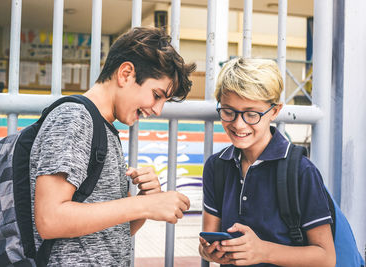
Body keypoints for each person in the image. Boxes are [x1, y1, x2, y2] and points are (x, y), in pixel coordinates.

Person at [31, 26, 196, 266]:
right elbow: (50, 220)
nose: (158, 110)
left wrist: (145, 202)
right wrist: (142, 204)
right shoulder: (74, 118)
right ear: (126, 74)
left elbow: (110, 232)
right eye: (157, 95)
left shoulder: (105, 129)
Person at [198, 58, 335, 266]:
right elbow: (209, 241)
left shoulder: (300, 170)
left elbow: (326, 258)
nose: (238, 124)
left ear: (274, 111)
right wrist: (210, 251)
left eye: (252, 114)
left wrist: (263, 251)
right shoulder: (217, 166)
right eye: (228, 112)